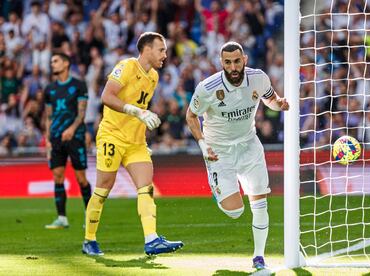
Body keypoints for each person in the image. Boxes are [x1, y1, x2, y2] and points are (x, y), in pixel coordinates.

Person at [186, 41, 289, 270]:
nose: (233, 67)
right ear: (221, 63)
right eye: (228, 62)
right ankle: (219, 188)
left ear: (245, 60)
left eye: (237, 61)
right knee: (235, 211)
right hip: (218, 152)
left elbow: (269, 98)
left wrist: (279, 104)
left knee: (259, 203)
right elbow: (191, 116)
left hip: (249, 146)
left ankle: (259, 257)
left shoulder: (258, 78)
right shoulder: (208, 87)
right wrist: (203, 145)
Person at [82, 32, 184, 256]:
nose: (165, 55)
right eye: (161, 50)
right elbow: (106, 96)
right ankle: (89, 239)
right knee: (103, 188)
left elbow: (140, 108)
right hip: (112, 136)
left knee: (145, 188)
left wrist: (143, 131)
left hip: (135, 142)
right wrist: (135, 111)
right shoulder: (126, 66)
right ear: (147, 49)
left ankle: (152, 240)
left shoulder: (154, 77)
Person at [44, 53, 92, 229]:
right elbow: (49, 116)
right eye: (51, 62)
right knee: (57, 176)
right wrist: (48, 138)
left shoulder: (79, 85)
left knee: (81, 178)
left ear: (66, 64)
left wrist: (71, 129)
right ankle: (62, 218)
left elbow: (81, 113)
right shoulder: (49, 89)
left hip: (75, 137)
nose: (52, 64)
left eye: (55, 61)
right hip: (56, 138)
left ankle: (90, 216)